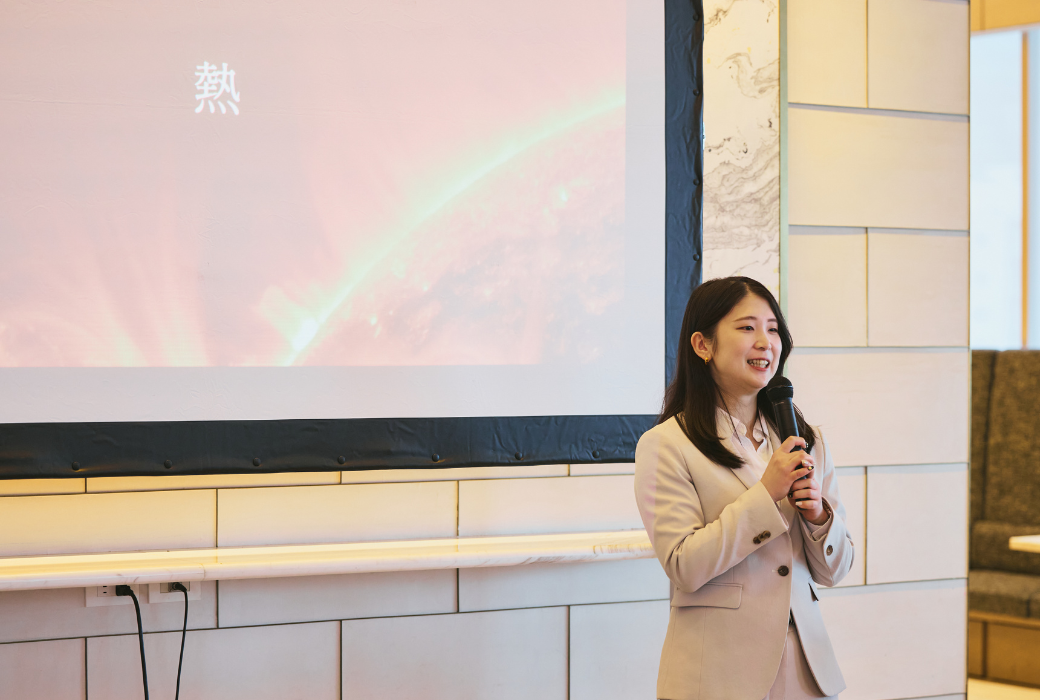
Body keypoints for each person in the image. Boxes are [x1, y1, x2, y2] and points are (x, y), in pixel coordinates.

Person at [634, 276, 854, 700]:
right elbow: (683, 566)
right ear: (702, 345)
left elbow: (836, 570)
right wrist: (765, 494)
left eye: (773, 329)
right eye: (747, 327)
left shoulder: (806, 439)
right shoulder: (666, 445)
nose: (765, 342)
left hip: (805, 671)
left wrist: (818, 517)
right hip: (717, 675)